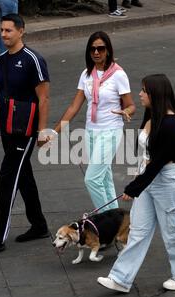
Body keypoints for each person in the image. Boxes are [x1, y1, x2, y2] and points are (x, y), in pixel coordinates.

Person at [97, 74, 175, 293]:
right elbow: (149, 158)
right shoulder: (153, 115)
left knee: (174, 232)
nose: (139, 94)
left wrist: (134, 187)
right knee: (138, 232)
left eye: (144, 91)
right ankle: (121, 278)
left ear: (155, 94)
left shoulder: (170, 124)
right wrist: (139, 181)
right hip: (150, 177)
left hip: (169, 181)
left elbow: (159, 161)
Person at [0, 14, 51, 255]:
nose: (4, 35)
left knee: (8, 179)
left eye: (8, 31)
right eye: (2, 30)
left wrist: (42, 131)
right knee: (23, 176)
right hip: (7, 128)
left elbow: (44, 98)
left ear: (21, 31)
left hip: (25, 131)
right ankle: (39, 225)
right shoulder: (2, 60)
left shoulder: (33, 60)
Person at [53, 31, 136, 213]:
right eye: (92, 49)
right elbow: (74, 107)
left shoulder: (118, 74)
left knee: (91, 179)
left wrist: (126, 111)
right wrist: (54, 132)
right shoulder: (86, 74)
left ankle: (104, 219)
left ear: (108, 50)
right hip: (91, 131)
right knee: (104, 177)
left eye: (100, 48)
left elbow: (131, 105)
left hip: (111, 131)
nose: (96, 52)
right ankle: (115, 218)